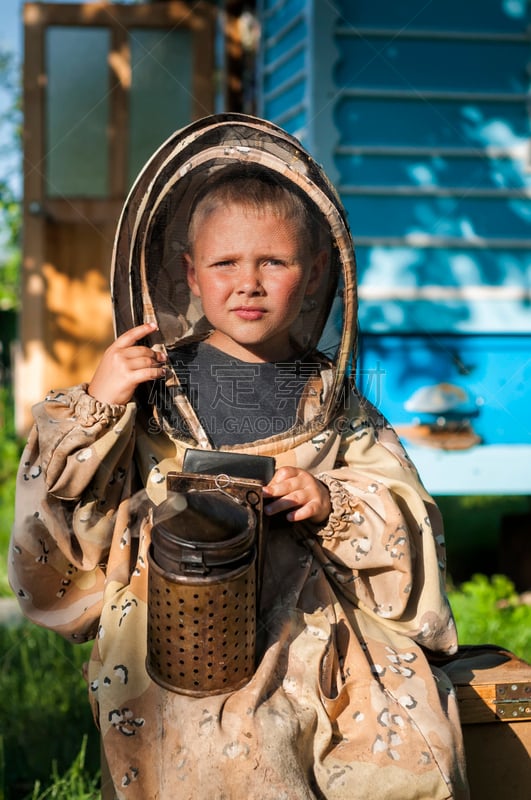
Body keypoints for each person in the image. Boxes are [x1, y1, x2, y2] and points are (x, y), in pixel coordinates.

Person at [9, 114, 469, 800]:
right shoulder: (147, 390)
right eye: (224, 263)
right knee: (222, 756)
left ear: (315, 273)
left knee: (401, 749)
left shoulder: (331, 402)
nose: (246, 283)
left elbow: (404, 515)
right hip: (179, 628)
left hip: (318, 624)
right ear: (189, 274)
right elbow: (65, 526)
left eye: (273, 262)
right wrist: (94, 412)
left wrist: (328, 500)